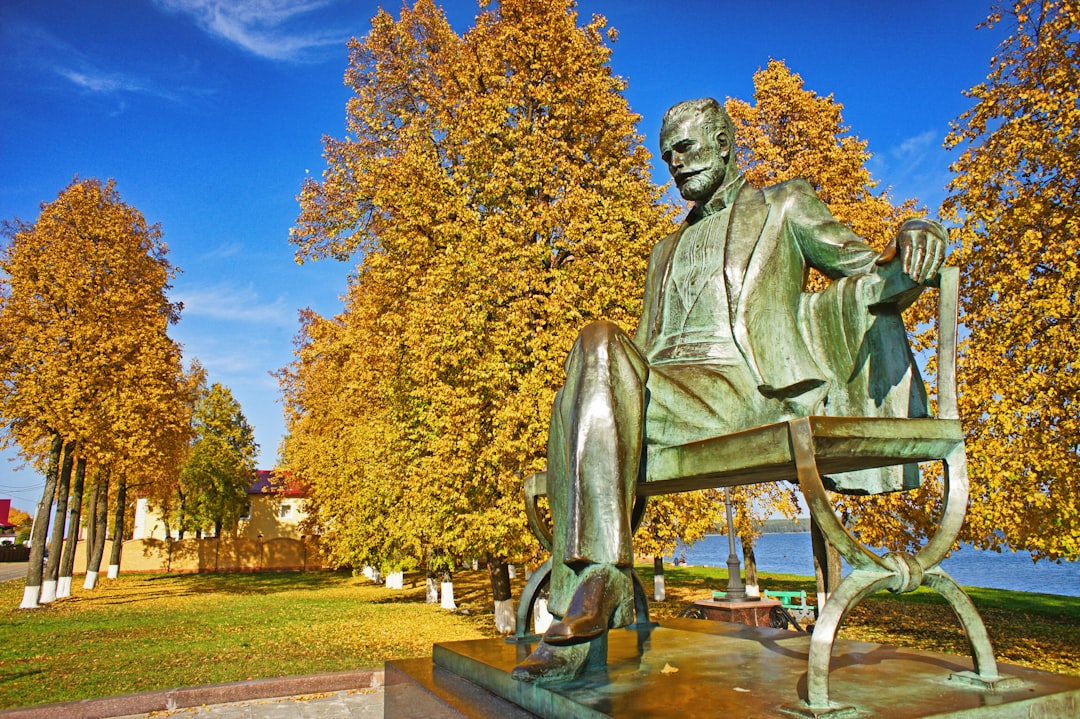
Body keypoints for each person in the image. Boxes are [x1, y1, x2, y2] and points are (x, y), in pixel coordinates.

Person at [512, 97, 946, 682]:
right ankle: (604, 575)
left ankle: (590, 584)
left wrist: (916, 237)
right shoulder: (663, 251)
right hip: (663, 392)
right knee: (596, 342)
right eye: (667, 157)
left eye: (686, 149)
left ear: (723, 142)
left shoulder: (783, 207)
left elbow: (869, 271)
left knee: (596, 346)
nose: (676, 165)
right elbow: (636, 346)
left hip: (740, 388)